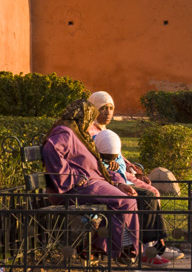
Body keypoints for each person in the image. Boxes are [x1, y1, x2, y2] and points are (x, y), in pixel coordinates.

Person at [41, 99, 149, 262]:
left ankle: (108, 248)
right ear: (82, 117)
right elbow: (50, 150)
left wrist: (119, 184)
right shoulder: (65, 132)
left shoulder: (80, 135)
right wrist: (72, 177)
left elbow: (96, 166)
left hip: (92, 184)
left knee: (127, 199)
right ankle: (119, 250)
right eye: (91, 119)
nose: (91, 123)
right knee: (125, 202)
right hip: (75, 189)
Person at [88, 91, 184, 262]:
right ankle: (150, 248)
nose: (108, 112)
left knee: (152, 191)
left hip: (121, 173)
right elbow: (103, 160)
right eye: (103, 108)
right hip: (111, 177)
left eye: (111, 108)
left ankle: (157, 245)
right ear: (93, 109)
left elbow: (118, 155)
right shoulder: (90, 131)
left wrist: (132, 167)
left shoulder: (102, 129)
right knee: (147, 195)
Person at [94, 129, 176, 263]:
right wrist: (109, 170)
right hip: (105, 187)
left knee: (149, 195)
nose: (112, 159)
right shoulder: (93, 152)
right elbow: (96, 172)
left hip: (120, 183)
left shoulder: (109, 145)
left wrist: (128, 171)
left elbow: (122, 166)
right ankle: (146, 250)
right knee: (144, 198)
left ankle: (154, 246)